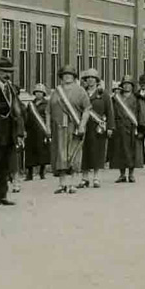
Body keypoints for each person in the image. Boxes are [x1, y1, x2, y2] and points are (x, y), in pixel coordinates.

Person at [0, 57, 24, 208]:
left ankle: (1, 196)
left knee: (5, 167)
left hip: (9, 134)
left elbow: (18, 112)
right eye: (4, 72)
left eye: (9, 72)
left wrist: (19, 133)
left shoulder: (12, 89)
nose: (6, 75)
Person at [49, 65, 90, 194]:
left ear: (74, 77)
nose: (67, 76)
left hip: (74, 127)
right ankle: (62, 184)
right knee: (60, 154)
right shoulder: (56, 91)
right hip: (59, 128)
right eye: (64, 74)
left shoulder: (80, 91)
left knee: (73, 154)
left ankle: (72, 184)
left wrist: (82, 124)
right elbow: (48, 111)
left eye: (70, 74)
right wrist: (47, 127)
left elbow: (87, 109)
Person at [80, 68, 114, 188]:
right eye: (87, 78)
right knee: (84, 152)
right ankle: (84, 178)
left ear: (96, 80)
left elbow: (110, 111)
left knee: (97, 152)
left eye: (92, 78)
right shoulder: (81, 93)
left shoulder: (103, 94)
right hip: (84, 126)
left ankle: (96, 177)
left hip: (98, 127)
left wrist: (110, 127)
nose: (90, 80)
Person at [110, 76, 145, 183]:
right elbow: (112, 113)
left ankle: (131, 174)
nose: (126, 86)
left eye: (129, 84)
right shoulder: (116, 98)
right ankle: (122, 174)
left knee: (132, 151)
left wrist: (142, 129)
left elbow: (142, 114)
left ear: (132, 86)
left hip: (132, 128)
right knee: (120, 151)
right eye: (125, 84)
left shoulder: (137, 99)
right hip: (119, 128)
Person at [23, 84, 51, 181]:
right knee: (30, 152)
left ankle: (42, 172)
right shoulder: (31, 104)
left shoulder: (47, 104)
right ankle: (29, 173)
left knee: (42, 151)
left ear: (43, 94)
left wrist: (48, 130)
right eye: (37, 92)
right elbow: (26, 117)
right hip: (31, 131)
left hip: (41, 131)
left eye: (40, 92)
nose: (38, 94)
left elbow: (48, 117)